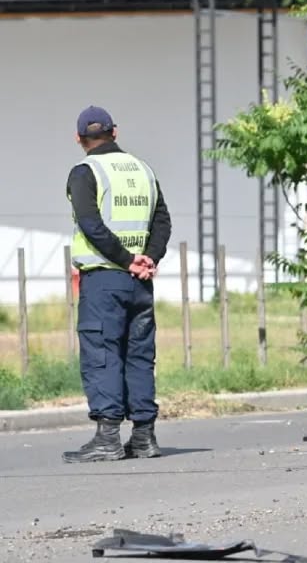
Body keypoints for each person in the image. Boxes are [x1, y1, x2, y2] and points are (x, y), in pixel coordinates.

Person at [62, 106, 172, 464]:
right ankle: (144, 437)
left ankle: (108, 438)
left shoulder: (85, 172)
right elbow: (162, 221)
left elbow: (92, 226)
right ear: (115, 131)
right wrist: (148, 259)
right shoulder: (144, 170)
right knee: (139, 355)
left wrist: (126, 260)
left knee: (102, 354)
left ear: (79, 138)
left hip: (104, 280)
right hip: (140, 283)